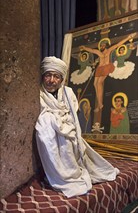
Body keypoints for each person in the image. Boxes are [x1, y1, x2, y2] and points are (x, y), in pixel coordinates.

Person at [35, 56, 119, 198]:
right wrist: (53, 121)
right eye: (48, 75)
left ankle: (73, 170)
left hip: (69, 129)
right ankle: (62, 174)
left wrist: (64, 124)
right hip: (54, 129)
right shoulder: (37, 94)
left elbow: (72, 115)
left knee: (71, 141)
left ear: (61, 80)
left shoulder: (68, 92)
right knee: (46, 124)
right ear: (43, 76)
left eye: (56, 76)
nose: (52, 80)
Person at [80, 33, 136, 112]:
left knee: (99, 83)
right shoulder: (99, 53)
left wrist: (128, 37)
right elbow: (92, 50)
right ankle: (99, 103)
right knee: (95, 84)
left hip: (107, 67)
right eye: (101, 46)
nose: (102, 47)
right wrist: (85, 48)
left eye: (103, 45)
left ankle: (100, 104)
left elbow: (118, 44)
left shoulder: (109, 50)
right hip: (99, 68)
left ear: (106, 45)